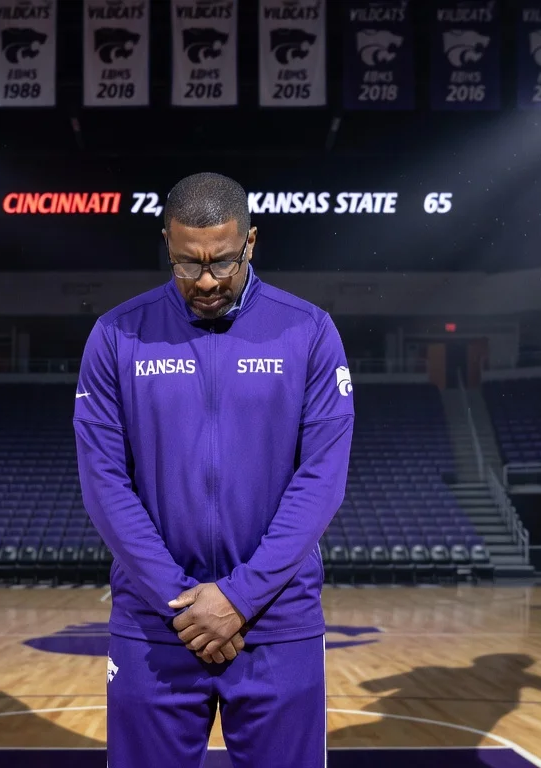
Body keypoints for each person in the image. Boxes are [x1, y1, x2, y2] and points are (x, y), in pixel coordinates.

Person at [73, 171, 355, 767]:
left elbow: (321, 480)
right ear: (167, 244)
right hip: (158, 623)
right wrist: (184, 601)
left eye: (222, 263)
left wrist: (239, 598)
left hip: (277, 620)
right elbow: (103, 483)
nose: (204, 281)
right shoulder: (116, 336)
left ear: (251, 242)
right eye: (186, 263)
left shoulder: (309, 331)